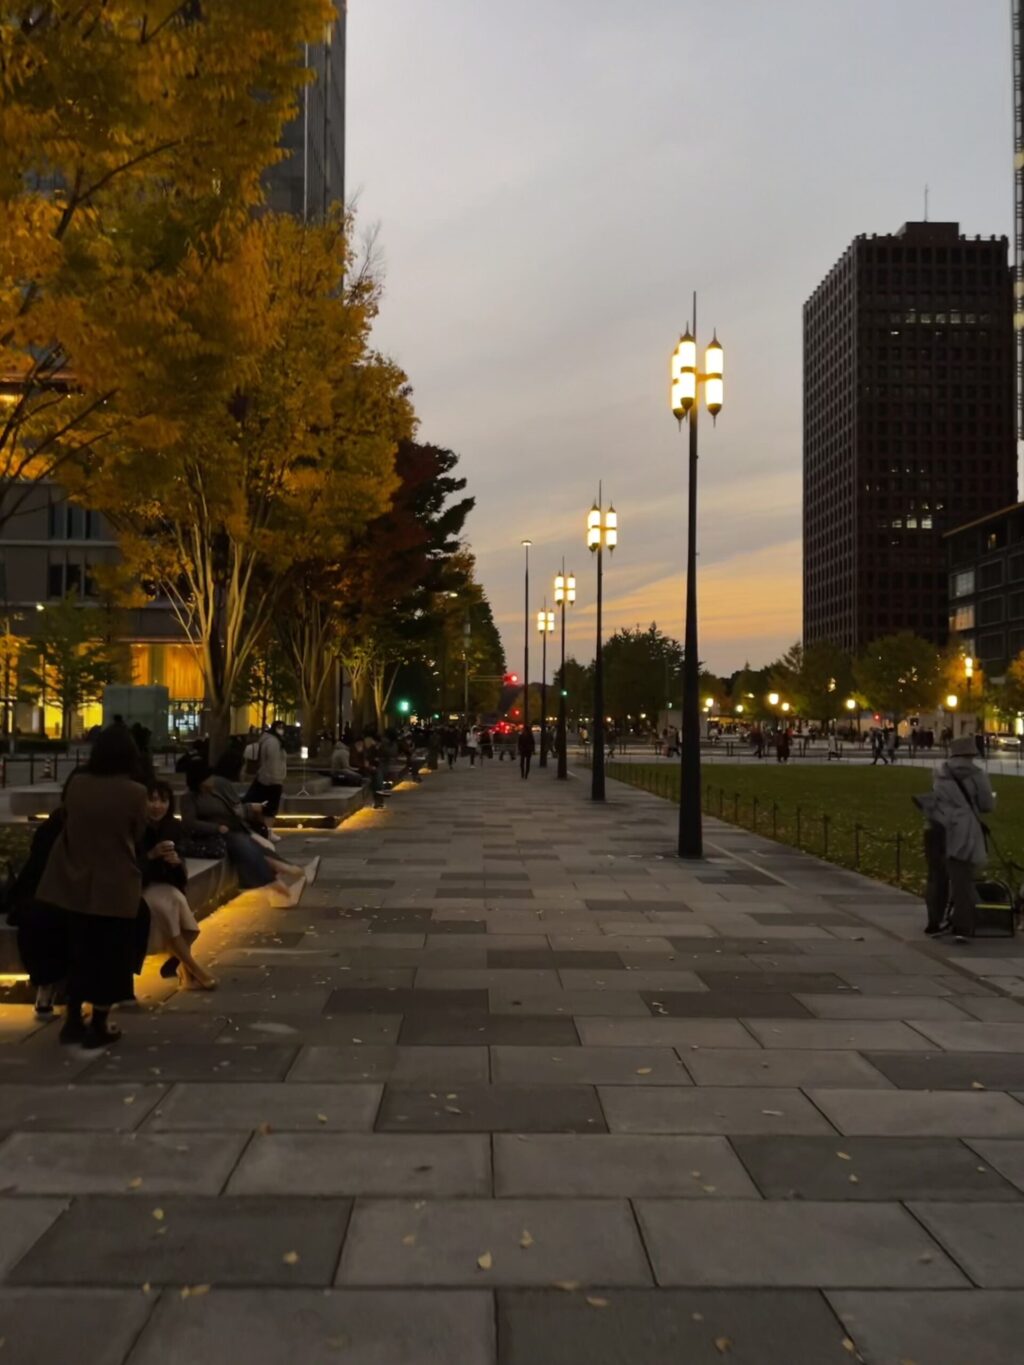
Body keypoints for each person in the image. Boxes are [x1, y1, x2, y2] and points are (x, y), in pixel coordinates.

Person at [37, 726, 148, 1048]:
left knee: (78, 950)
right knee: (110, 955)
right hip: (115, 883)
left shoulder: (77, 784)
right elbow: (138, 834)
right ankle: (100, 1022)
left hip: (72, 879)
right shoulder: (135, 792)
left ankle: (72, 1018)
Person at [181, 759, 303, 898]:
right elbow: (189, 823)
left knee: (253, 845)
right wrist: (216, 828)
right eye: (208, 779)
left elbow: (236, 808)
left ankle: (281, 868)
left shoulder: (218, 787)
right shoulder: (189, 798)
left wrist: (248, 810)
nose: (211, 781)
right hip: (212, 835)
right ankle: (273, 878)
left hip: (234, 828)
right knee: (241, 843)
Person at [915, 735, 995, 943]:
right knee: (961, 878)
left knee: (936, 876)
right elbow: (987, 805)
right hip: (962, 829)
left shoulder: (940, 772)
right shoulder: (976, 774)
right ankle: (963, 926)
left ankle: (934, 920)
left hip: (936, 826)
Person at [140, 781, 216, 990]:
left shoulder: (172, 827)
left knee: (183, 916)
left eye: (162, 801)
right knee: (166, 908)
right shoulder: (136, 827)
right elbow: (129, 866)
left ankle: (182, 969)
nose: (157, 806)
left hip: (166, 884)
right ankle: (194, 968)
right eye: (152, 800)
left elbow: (181, 871)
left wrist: (176, 862)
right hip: (141, 886)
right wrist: (151, 855)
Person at [244, 720, 288, 826]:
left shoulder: (272, 740)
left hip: (267, 777)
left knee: (263, 806)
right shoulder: (273, 742)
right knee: (270, 808)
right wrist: (276, 778)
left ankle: (264, 829)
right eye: (279, 727)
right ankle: (267, 830)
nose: (282, 730)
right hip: (271, 779)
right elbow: (273, 762)